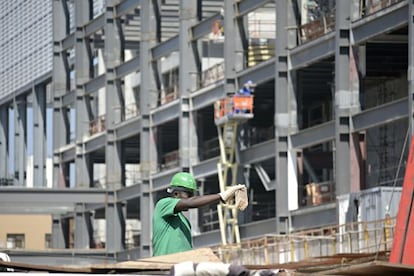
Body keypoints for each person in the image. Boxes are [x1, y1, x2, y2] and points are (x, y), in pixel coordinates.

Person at [152, 172, 246, 256]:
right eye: (189, 195)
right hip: (163, 266)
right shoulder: (163, 205)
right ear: (176, 193)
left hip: (181, 268)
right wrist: (221, 196)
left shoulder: (185, 222)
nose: (192, 198)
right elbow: (191, 202)